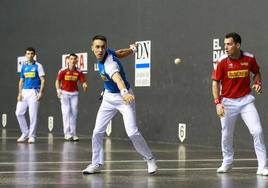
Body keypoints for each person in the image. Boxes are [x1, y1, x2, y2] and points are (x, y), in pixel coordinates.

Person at [82, 35, 157, 174]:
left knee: (132, 132)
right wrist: (132, 50)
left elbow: (118, 79)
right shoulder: (107, 53)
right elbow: (120, 53)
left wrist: (124, 92)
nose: (100, 50)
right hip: (108, 98)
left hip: (124, 98)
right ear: (92, 48)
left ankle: (150, 158)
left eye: (102, 47)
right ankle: (96, 163)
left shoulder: (110, 65)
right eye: (97, 47)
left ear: (105, 47)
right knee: (97, 131)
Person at [212, 32, 268, 176]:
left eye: (229, 44)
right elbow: (215, 83)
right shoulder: (222, 61)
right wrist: (218, 103)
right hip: (227, 102)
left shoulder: (249, 58)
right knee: (226, 134)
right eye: (225, 44)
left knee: (258, 131)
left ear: (238, 45)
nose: (226, 47)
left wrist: (257, 83)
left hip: (245, 101)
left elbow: (256, 72)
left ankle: (262, 166)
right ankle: (227, 162)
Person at [15, 47, 45, 144]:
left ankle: (32, 136)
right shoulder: (23, 67)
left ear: (34, 55)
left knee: (33, 115)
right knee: (18, 113)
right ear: (25, 55)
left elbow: (43, 80)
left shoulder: (38, 66)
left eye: (32, 53)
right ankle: (25, 133)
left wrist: (40, 92)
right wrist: (20, 93)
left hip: (34, 92)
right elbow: (21, 80)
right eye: (28, 53)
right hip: (24, 92)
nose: (30, 55)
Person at [55, 53, 88, 141]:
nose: (73, 61)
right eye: (71, 59)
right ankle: (67, 133)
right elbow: (57, 81)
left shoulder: (79, 71)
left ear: (77, 61)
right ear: (68, 60)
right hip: (64, 93)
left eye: (74, 59)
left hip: (74, 94)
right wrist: (58, 90)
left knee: (74, 113)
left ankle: (73, 134)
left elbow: (83, 81)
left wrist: (85, 85)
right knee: (66, 112)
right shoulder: (63, 70)